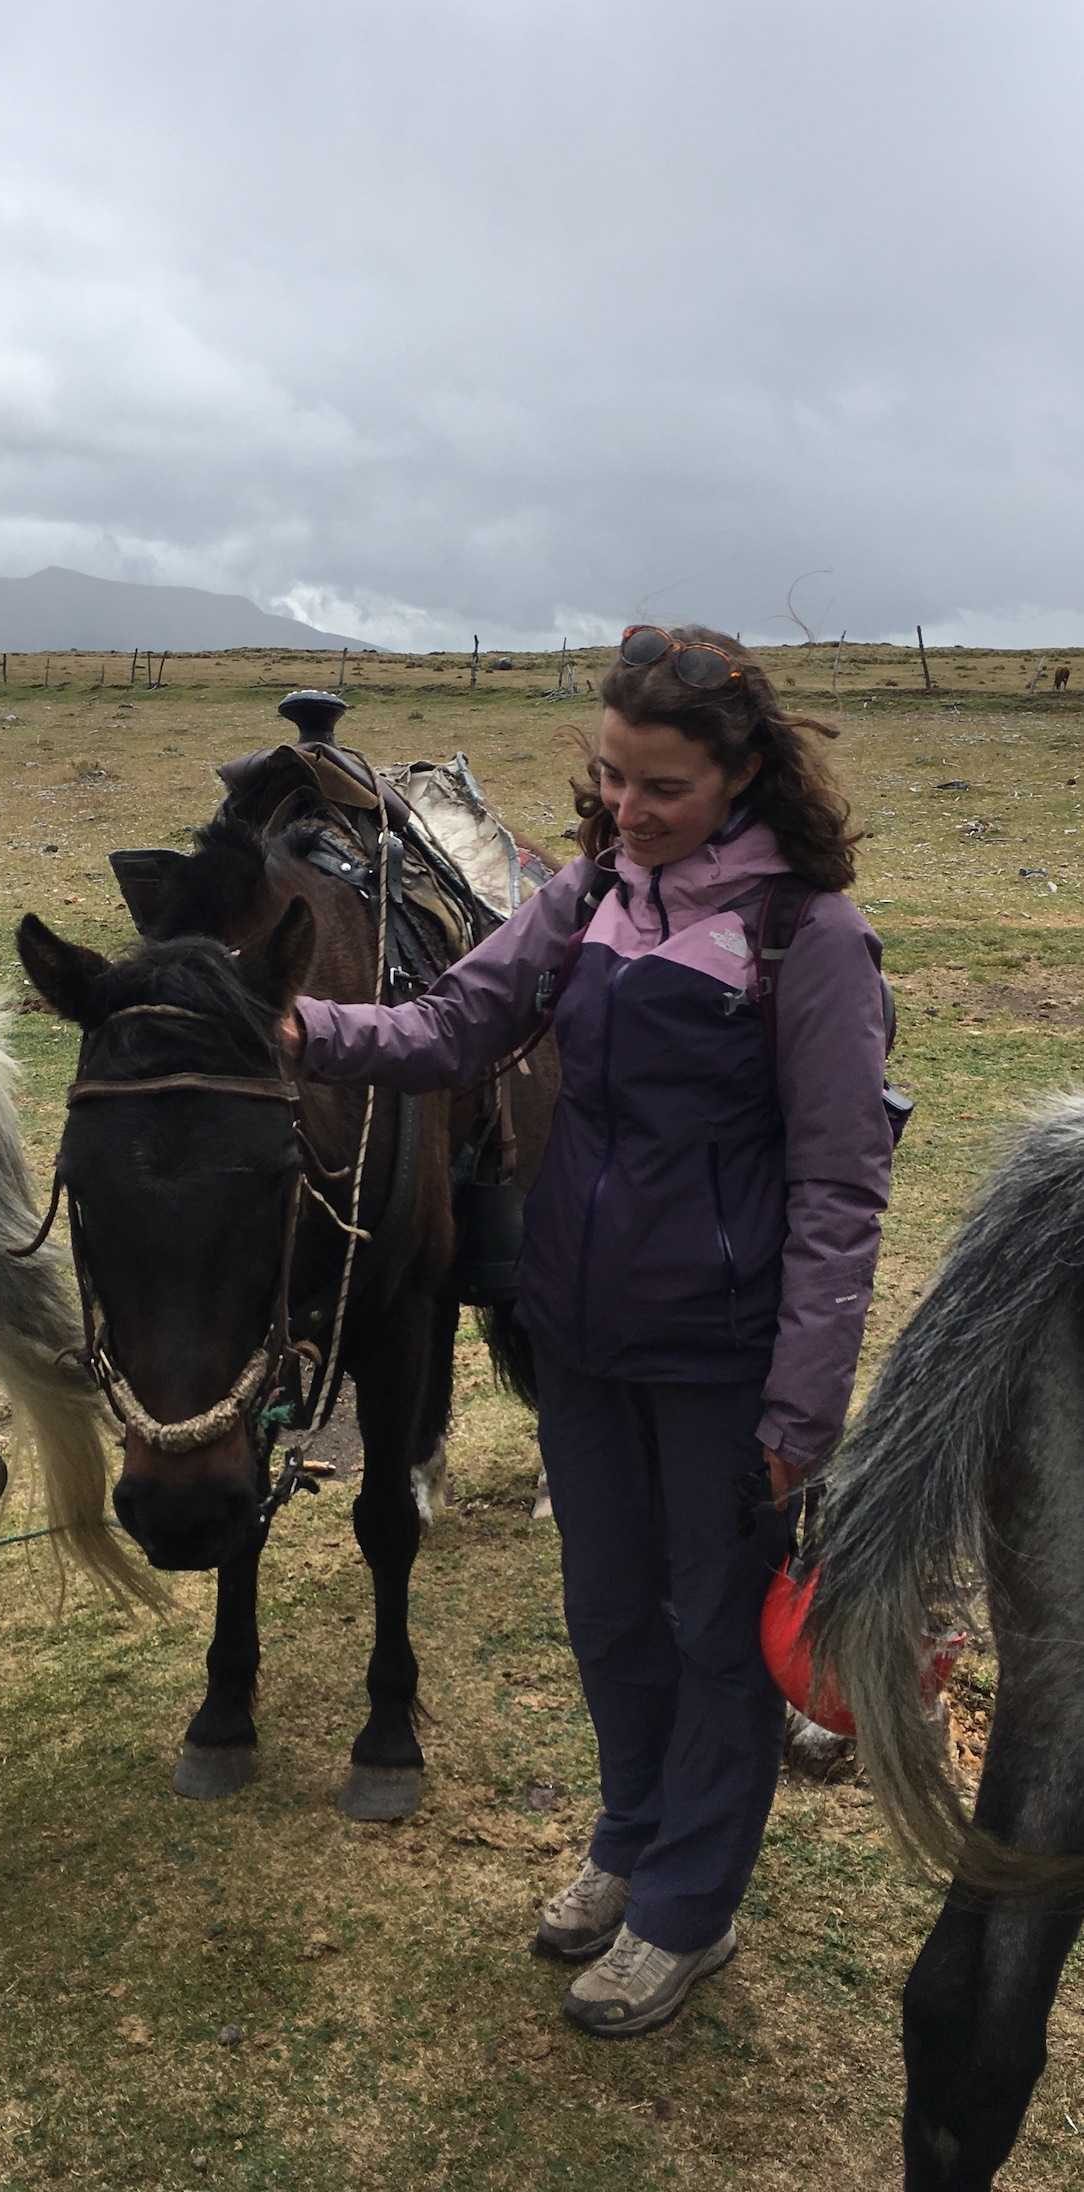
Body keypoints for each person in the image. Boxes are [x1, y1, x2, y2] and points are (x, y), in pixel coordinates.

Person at [281, 625, 894, 2038]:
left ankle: (692, 1908)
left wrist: (803, 1410)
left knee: (715, 1634)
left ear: (745, 774)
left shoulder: (809, 938)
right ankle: (630, 1837)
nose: (627, 808)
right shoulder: (591, 892)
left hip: (721, 1356)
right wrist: (314, 1033)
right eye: (612, 777)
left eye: (662, 786)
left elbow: (842, 1194)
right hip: (579, 1328)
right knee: (611, 1615)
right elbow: (458, 1025)